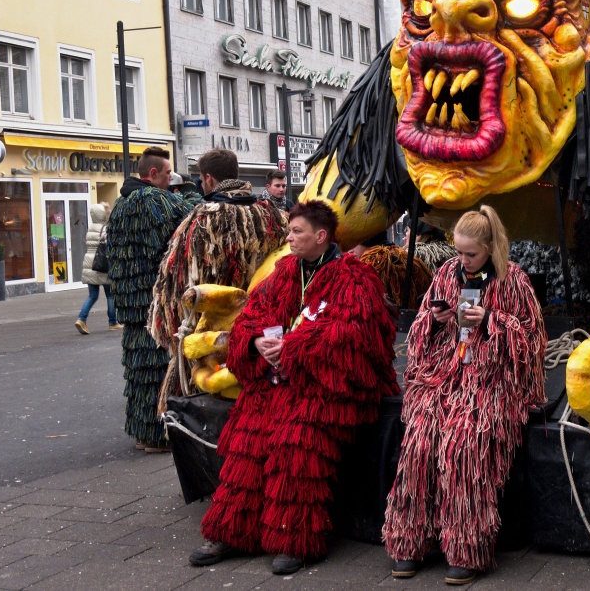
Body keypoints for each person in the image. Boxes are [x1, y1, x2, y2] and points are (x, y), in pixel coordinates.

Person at [188, 200, 398, 575]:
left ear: (321, 236)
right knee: (247, 436)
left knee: (295, 438)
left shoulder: (355, 278)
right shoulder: (285, 272)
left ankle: (292, 538)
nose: (289, 238)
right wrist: (256, 344)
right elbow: (251, 316)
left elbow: (355, 336)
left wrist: (295, 349)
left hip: (326, 387)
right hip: (276, 380)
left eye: (296, 232)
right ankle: (232, 531)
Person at [383, 205, 547, 585]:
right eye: (458, 251)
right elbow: (420, 330)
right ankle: (410, 541)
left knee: (464, 442)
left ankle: (467, 549)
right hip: (444, 373)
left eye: (470, 253)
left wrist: (491, 320)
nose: (463, 260)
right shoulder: (445, 274)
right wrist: (435, 319)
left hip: (491, 379)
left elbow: (532, 343)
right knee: (419, 443)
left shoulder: (513, 280)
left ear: (491, 247)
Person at [149, 149, 289, 400]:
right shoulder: (275, 218)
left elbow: (178, 284)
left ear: (209, 179)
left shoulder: (202, 221)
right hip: (261, 326)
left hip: (212, 331)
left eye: (202, 181)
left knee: (209, 393)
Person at [108, 146, 192, 452]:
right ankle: (160, 435)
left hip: (131, 304)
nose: (172, 179)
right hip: (157, 303)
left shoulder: (120, 204)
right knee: (159, 367)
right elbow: (188, 223)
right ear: (153, 174)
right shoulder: (156, 200)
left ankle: (145, 433)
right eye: (168, 173)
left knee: (138, 369)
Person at [74, 202, 121, 335]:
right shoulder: (105, 228)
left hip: (90, 264)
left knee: (92, 296)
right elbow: (110, 246)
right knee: (110, 295)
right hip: (102, 265)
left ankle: (81, 319)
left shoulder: (90, 229)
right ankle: (113, 322)